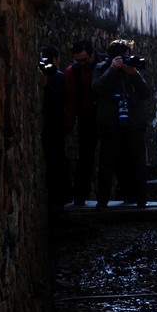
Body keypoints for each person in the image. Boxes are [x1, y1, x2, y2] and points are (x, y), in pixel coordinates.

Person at [91, 39, 150, 210]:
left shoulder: (132, 68)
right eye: (124, 55)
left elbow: (145, 92)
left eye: (128, 55)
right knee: (107, 164)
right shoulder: (102, 68)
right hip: (111, 123)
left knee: (138, 162)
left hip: (133, 123)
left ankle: (141, 199)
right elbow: (97, 88)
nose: (127, 58)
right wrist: (112, 70)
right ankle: (102, 201)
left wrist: (134, 73)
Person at [64, 39, 100, 206]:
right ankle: (80, 194)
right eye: (79, 61)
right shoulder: (73, 72)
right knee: (85, 158)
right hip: (87, 118)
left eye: (85, 60)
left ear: (92, 54)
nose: (82, 63)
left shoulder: (106, 65)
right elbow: (72, 100)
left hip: (105, 117)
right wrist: (68, 124)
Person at [39, 45, 70, 211]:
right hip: (54, 122)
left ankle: (59, 198)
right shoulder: (58, 76)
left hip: (54, 123)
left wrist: (46, 86)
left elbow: (60, 100)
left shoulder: (58, 78)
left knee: (56, 160)